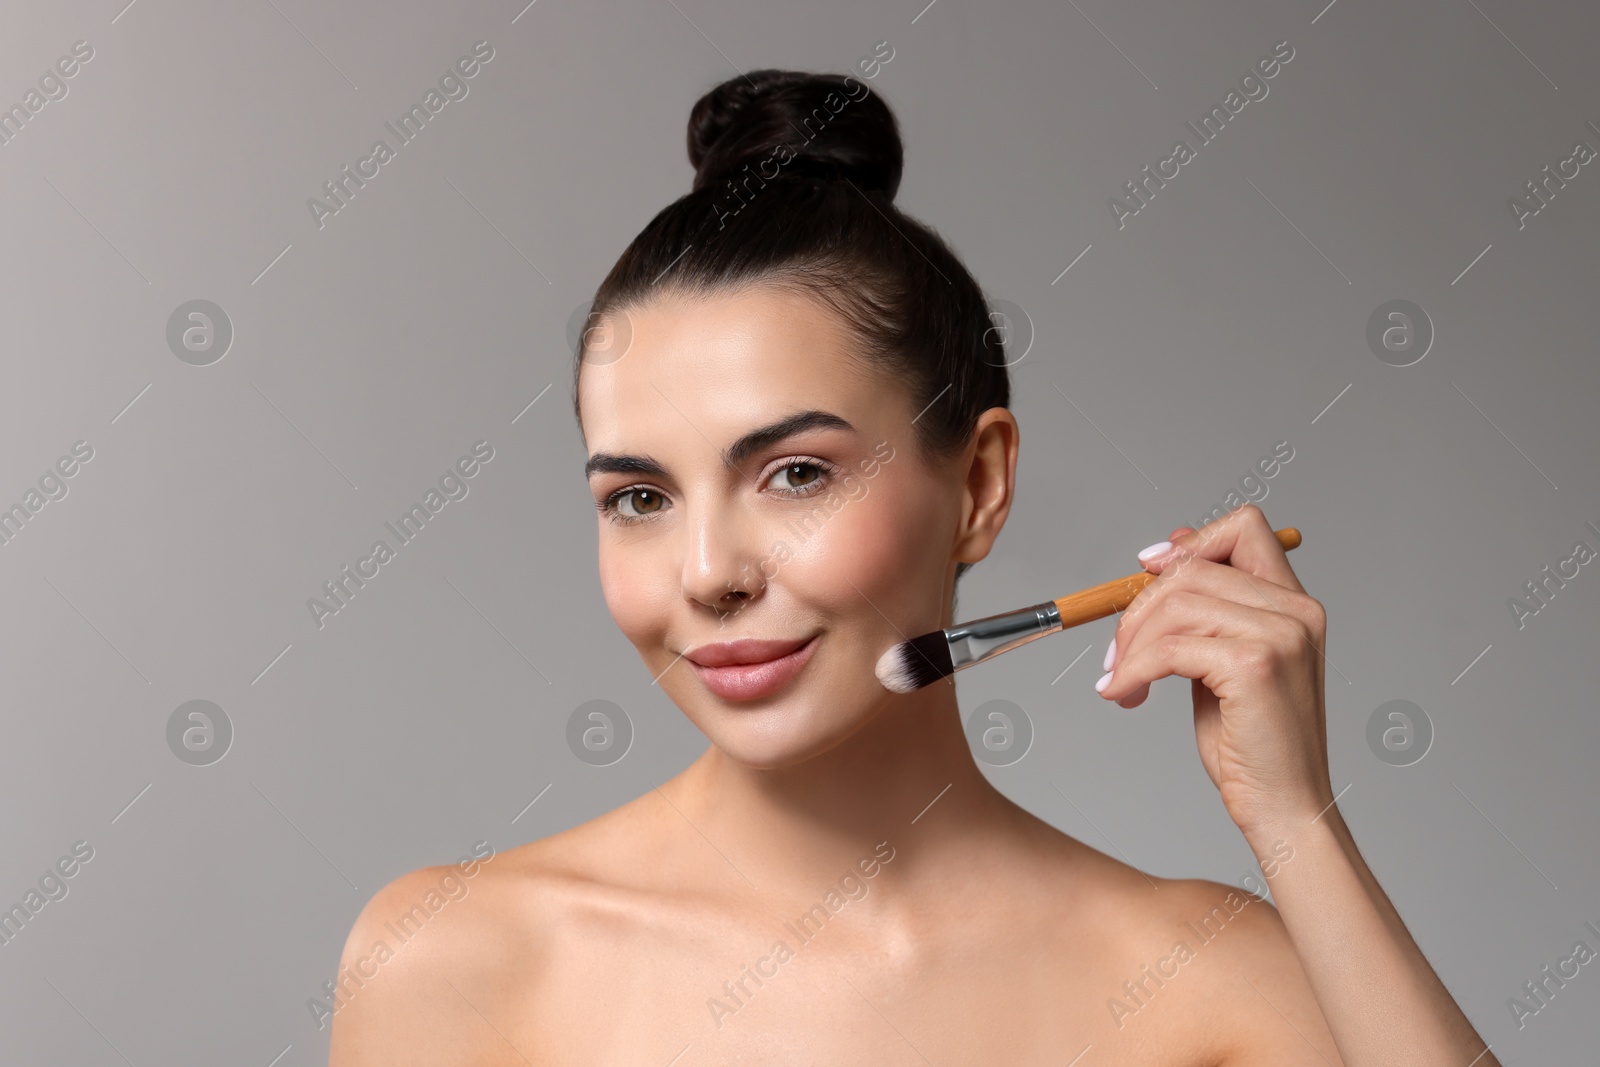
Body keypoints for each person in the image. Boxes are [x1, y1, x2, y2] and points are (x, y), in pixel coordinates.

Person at [330, 69, 1498, 1066]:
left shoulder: (1203, 978)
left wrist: (1295, 821)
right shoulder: (455, 958)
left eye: (794, 473)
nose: (707, 573)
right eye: (640, 497)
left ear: (979, 484)